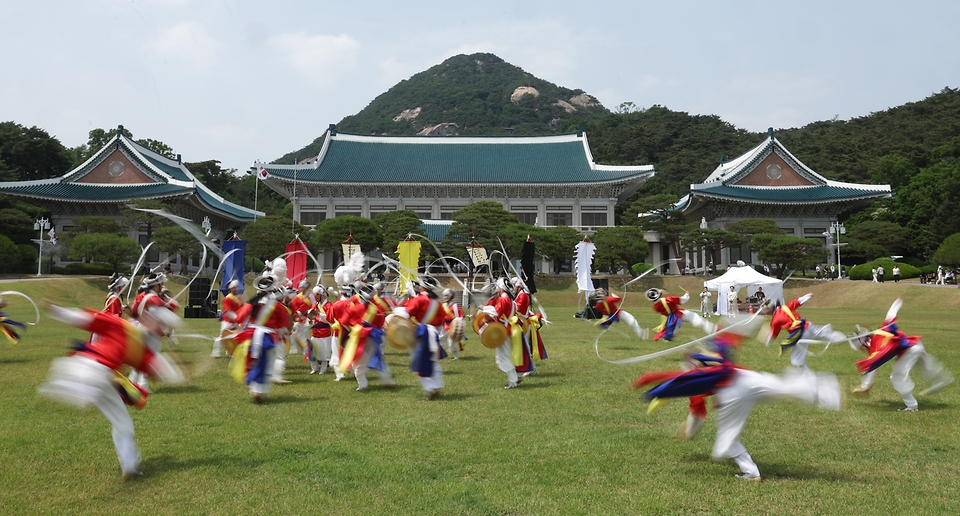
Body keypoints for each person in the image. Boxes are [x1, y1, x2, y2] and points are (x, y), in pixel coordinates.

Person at [634, 329, 840, 481]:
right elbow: (729, 337)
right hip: (747, 377)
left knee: (725, 444)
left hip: (732, 394)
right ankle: (825, 390)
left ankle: (751, 473)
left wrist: (649, 379)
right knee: (784, 387)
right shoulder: (719, 355)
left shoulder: (696, 378)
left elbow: (696, 410)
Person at [38, 303, 185, 480]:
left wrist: (57, 310)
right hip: (97, 372)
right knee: (120, 420)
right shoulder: (139, 345)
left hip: (89, 371)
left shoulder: (129, 334)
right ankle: (70, 387)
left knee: (123, 424)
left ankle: (130, 466)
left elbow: (83, 319)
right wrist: (179, 374)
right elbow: (162, 370)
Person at [851, 298, 953, 411]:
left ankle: (912, 406)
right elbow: (890, 316)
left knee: (897, 377)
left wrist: (865, 386)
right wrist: (897, 302)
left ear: (864, 343)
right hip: (916, 344)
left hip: (909, 350)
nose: (863, 350)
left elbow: (873, 367)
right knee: (926, 368)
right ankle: (943, 380)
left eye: (861, 348)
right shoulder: (881, 331)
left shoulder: (875, 346)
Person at [766, 294, 846, 370]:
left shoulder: (775, 320)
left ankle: (807, 376)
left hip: (800, 334)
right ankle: (841, 338)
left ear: (771, 309)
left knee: (796, 360)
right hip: (808, 326)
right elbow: (798, 301)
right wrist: (808, 296)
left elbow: (773, 334)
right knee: (824, 334)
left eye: (766, 309)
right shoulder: (786, 307)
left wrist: (767, 343)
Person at [649, 288, 715, 342]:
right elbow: (682, 300)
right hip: (678, 314)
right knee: (694, 318)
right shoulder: (668, 299)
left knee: (672, 330)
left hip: (670, 318)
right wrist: (687, 294)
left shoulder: (655, 307)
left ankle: (667, 339)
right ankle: (711, 329)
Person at [212, 279, 243, 358]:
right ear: (230, 289)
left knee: (237, 337)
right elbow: (228, 311)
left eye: (236, 287)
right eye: (233, 288)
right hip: (228, 321)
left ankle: (230, 352)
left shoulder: (239, 298)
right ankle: (216, 352)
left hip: (237, 321)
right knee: (222, 337)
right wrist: (236, 318)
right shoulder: (227, 299)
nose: (235, 289)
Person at [441, 288, 465, 359]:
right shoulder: (443, 306)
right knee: (440, 340)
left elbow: (461, 316)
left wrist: (458, 323)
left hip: (452, 327)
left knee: (451, 342)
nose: (445, 297)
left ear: (451, 296)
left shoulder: (455, 306)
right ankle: (439, 354)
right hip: (444, 326)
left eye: (447, 296)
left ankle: (456, 356)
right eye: (444, 296)